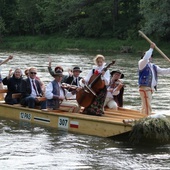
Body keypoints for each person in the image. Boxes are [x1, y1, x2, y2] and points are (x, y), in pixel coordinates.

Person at [138, 42, 170, 115]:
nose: (150, 57)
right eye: (149, 55)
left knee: (145, 104)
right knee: (147, 105)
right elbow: (146, 58)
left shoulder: (153, 66)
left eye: (151, 56)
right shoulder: (141, 63)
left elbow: (163, 71)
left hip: (150, 88)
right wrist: (151, 48)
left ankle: (143, 116)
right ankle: (146, 118)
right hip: (144, 87)